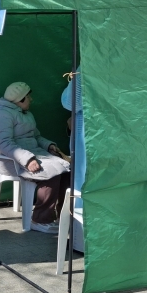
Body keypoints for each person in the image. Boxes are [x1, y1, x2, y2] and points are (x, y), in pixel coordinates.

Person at [0, 81, 71, 234]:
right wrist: (27, 159)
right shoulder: (2, 114)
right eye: (28, 97)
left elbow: (36, 136)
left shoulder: (26, 114)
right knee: (51, 175)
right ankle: (39, 220)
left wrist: (48, 146)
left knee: (66, 170)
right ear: (20, 100)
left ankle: (62, 216)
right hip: (11, 161)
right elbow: (4, 143)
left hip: (34, 155)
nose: (31, 99)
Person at [61, 67, 83, 207]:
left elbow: (70, 102)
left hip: (90, 136)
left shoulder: (90, 64)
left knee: (83, 183)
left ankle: (81, 227)